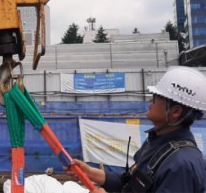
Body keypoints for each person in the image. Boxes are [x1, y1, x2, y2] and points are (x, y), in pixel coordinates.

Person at [65, 66, 206, 192]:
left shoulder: (181, 166)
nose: (151, 101)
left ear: (175, 112)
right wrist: (90, 172)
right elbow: (128, 184)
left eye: (157, 97)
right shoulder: (157, 143)